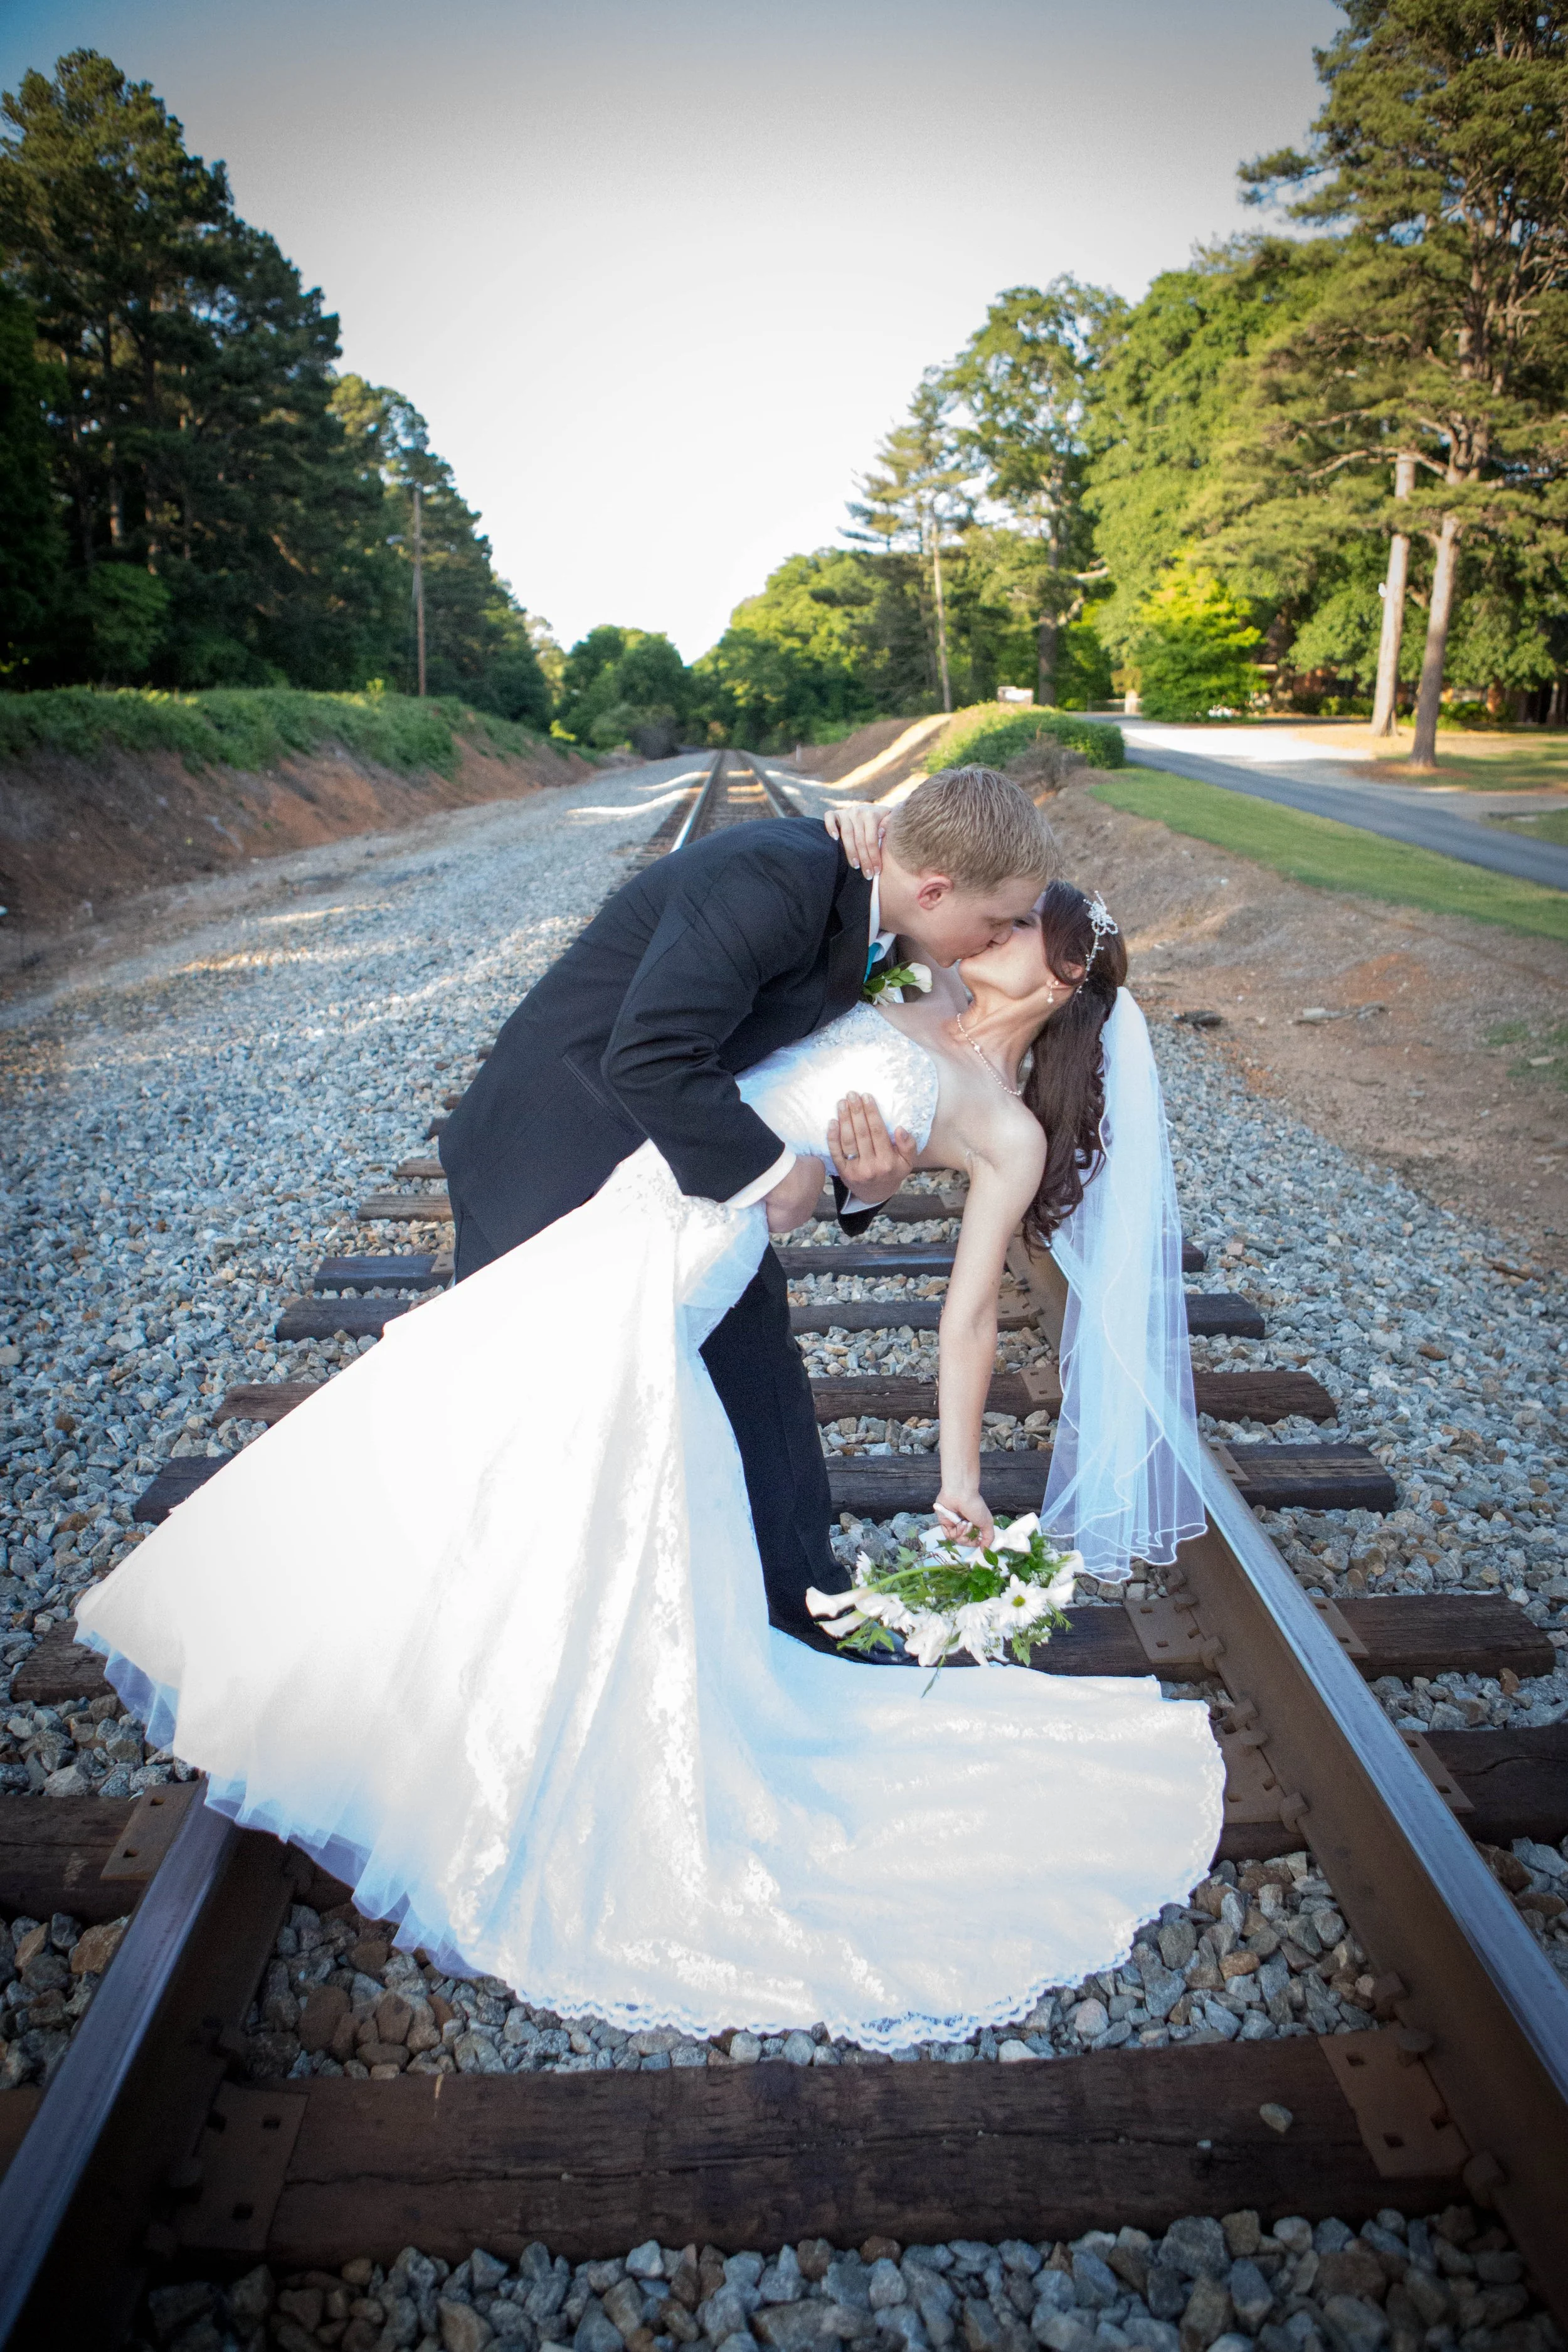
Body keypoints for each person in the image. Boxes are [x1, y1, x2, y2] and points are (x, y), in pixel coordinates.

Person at [75, 800, 1221, 2050]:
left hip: (700, 1230)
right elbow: (763, 1014)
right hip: (620, 1186)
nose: (993, 938)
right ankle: (377, 1689)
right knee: (525, 1447)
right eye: (999, 915)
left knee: (586, 1458)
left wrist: (938, 1416)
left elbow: (954, 1302)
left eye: (1020, 932)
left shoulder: (974, 1076)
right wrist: (862, 860)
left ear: (1057, 981)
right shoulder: (885, 941)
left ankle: (570, 1702)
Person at [438, 765, 1056, 1648]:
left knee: (759, 1369)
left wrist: (859, 1185)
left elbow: (816, 1069)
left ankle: (802, 1616)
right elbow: (649, 1053)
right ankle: (507, 1640)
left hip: (681, 1171)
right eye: (997, 920)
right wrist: (778, 1174)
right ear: (933, 888)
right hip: (555, 1152)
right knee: (536, 1429)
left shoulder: (885, 914)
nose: (998, 937)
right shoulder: (779, 880)